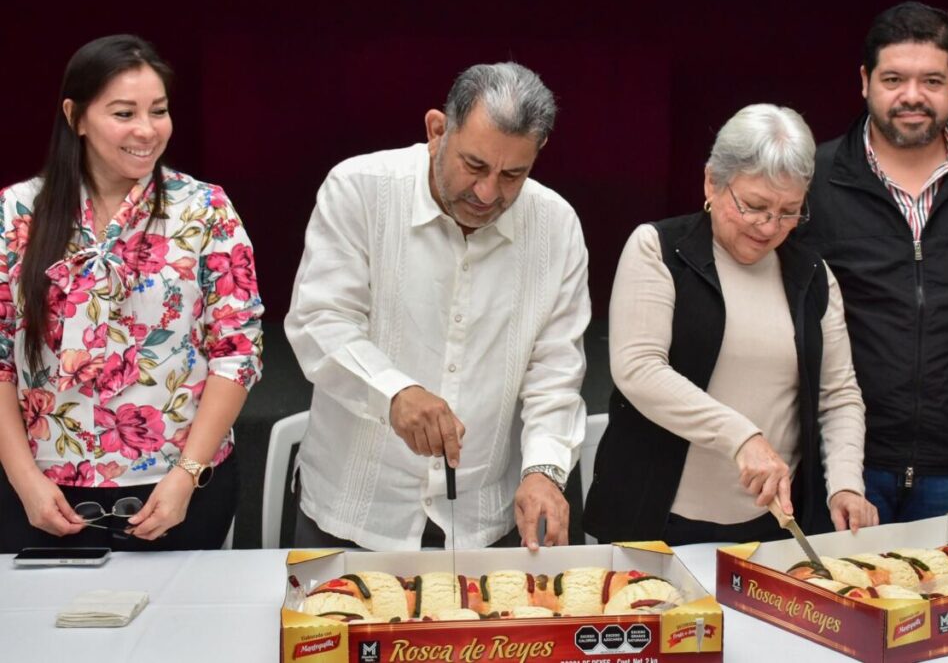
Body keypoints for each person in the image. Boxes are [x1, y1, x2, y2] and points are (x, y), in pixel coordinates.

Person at [285, 62, 590, 551]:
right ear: (436, 130)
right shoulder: (359, 188)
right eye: (474, 166)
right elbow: (320, 321)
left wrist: (544, 472)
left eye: (513, 174)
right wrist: (395, 392)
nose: (489, 192)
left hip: (485, 523)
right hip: (355, 514)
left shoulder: (556, 225)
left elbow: (555, 370)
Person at [0, 35, 264, 552]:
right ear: (75, 116)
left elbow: (237, 352)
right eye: (124, 113)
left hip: (176, 488)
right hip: (41, 491)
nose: (146, 130)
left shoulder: (204, 209)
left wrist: (186, 476)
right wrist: (23, 479)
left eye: (158, 111)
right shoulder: (17, 212)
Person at [584, 104, 878, 545]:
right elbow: (639, 369)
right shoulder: (659, 249)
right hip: (656, 521)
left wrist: (846, 483)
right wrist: (742, 438)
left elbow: (838, 396)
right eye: (755, 205)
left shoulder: (812, 275)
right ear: (712, 182)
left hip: (774, 526)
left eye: (788, 212)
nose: (769, 226)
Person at [801, 2, 948, 523]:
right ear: (865, 81)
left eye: (931, 80)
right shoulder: (814, 180)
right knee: (843, 602)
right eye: (894, 78)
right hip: (845, 464)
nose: (912, 96)